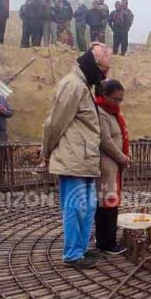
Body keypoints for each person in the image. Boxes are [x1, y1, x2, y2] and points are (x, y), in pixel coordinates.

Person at [41, 43, 112, 269]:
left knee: (88, 207)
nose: (103, 77)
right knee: (75, 206)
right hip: (73, 160)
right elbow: (54, 123)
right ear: (92, 66)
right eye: (102, 71)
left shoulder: (83, 86)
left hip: (85, 159)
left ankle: (80, 249)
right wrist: (46, 153)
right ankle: (72, 254)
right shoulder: (72, 86)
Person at [95, 79, 131, 254]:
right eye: (116, 99)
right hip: (107, 165)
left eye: (120, 100)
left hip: (114, 165)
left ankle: (108, 240)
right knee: (106, 204)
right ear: (104, 95)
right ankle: (106, 243)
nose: (118, 103)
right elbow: (105, 141)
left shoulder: (111, 113)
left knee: (111, 202)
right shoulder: (101, 113)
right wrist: (123, 158)